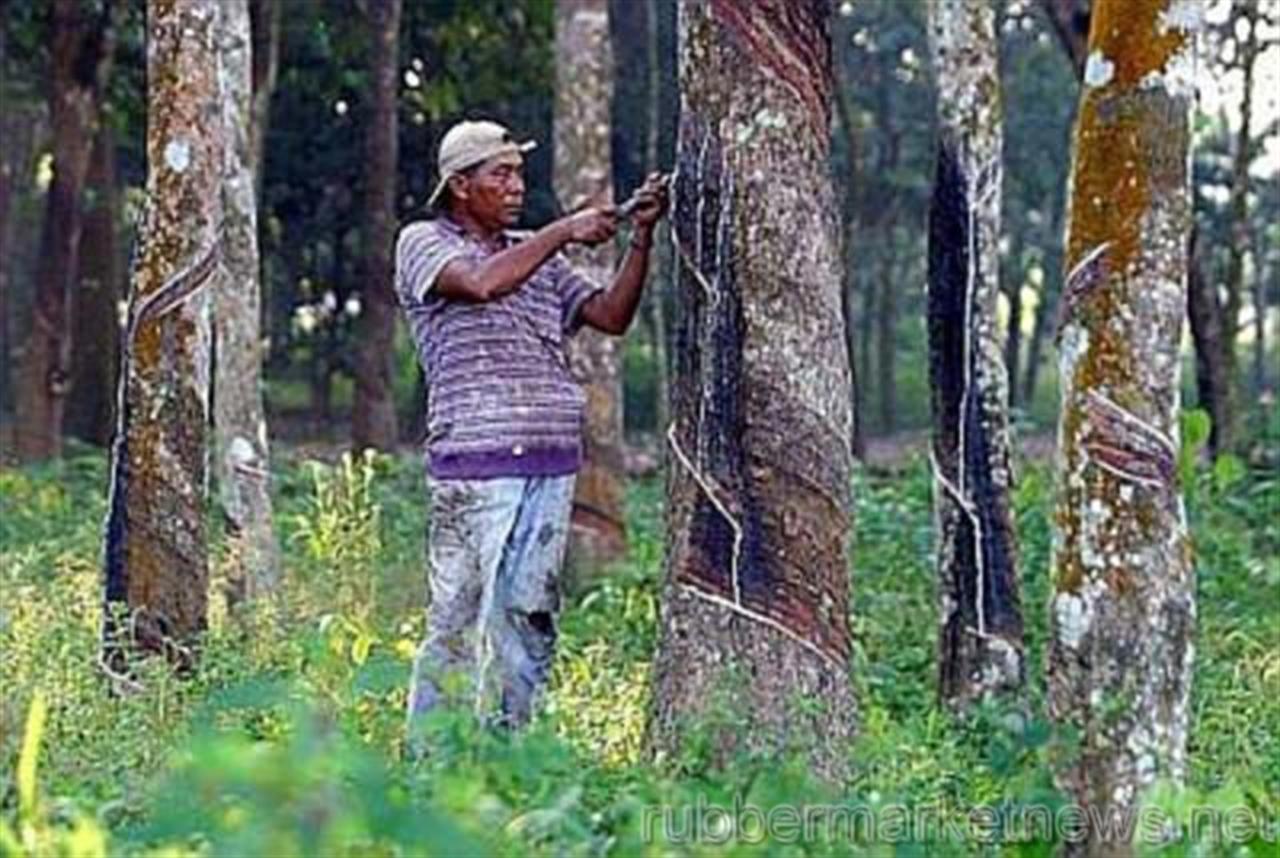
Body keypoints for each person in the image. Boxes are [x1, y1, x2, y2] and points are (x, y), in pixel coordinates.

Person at [395, 119, 668, 748]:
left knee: (529, 614)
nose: (517, 185)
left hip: (549, 462)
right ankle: (430, 759)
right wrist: (564, 231)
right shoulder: (424, 242)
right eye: (502, 174)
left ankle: (507, 749)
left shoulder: (536, 257)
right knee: (458, 618)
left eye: (519, 172)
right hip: (475, 463)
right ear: (461, 186)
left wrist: (641, 237)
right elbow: (481, 283)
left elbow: (610, 315)